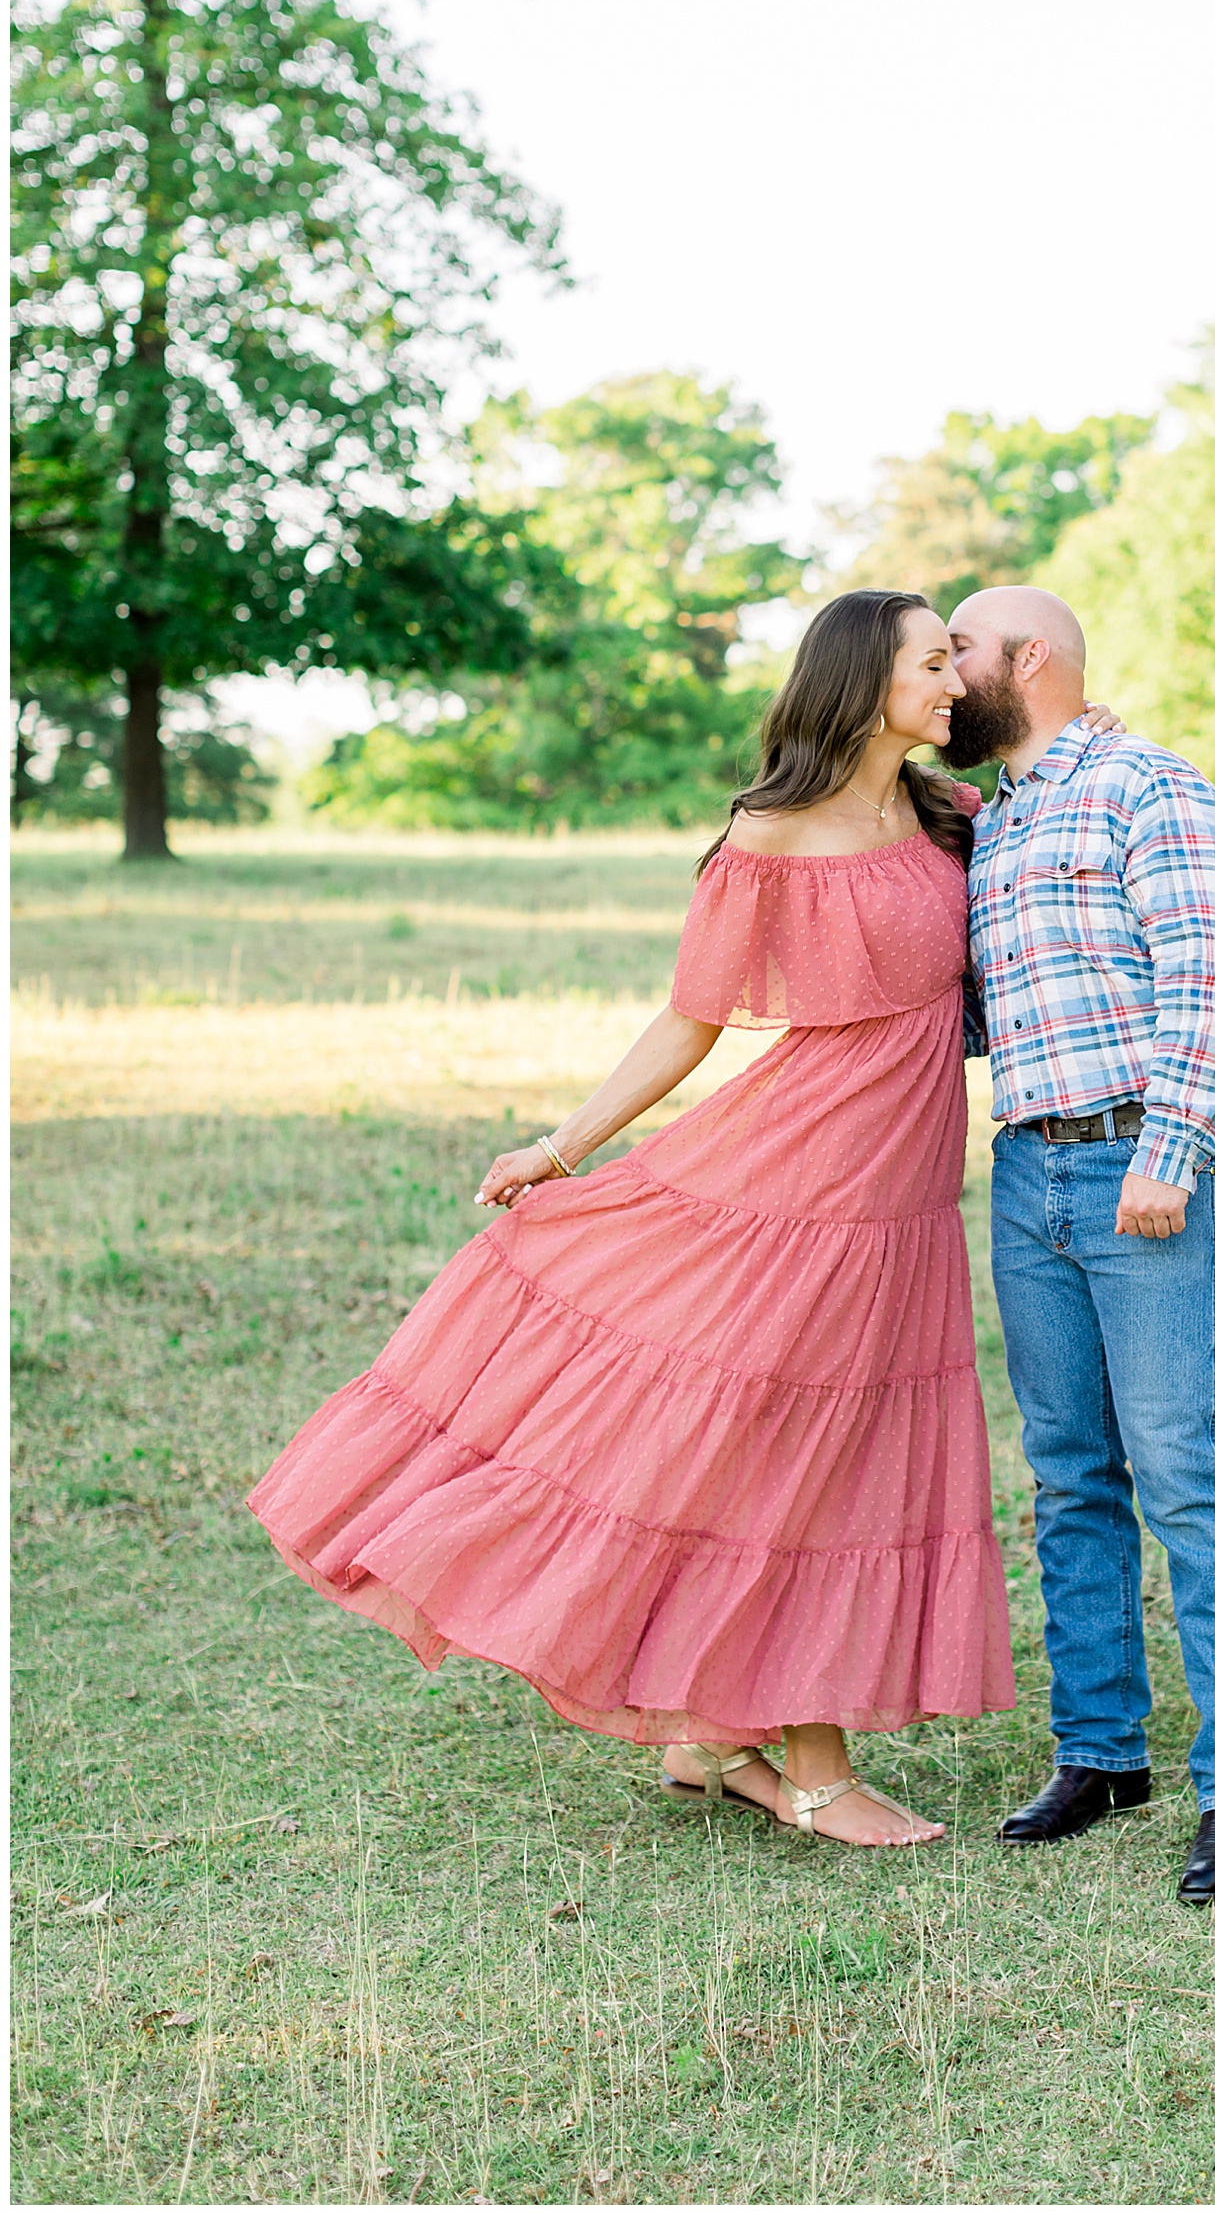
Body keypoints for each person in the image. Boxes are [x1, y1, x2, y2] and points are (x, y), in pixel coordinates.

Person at [248, 591, 1020, 1849]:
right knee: (791, 1455)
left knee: (831, 1446)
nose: (954, 681)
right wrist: (561, 1147)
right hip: (797, 1183)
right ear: (861, 680)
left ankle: (712, 1734)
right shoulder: (769, 838)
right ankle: (812, 1766)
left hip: (904, 1201)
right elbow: (690, 1018)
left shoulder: (952, 812)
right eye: (933, 661)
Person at [944, 585, 1215, 1905]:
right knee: (1070, 1473)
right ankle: (1100, 1752)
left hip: (1141, 1158)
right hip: (1027, 1171)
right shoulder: (994, 819)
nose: (943, 673)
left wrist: (1169, 1149)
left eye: (959, 649)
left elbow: (1205, 972)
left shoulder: (1151, 784)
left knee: (1183, 1464)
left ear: (1029, 660)